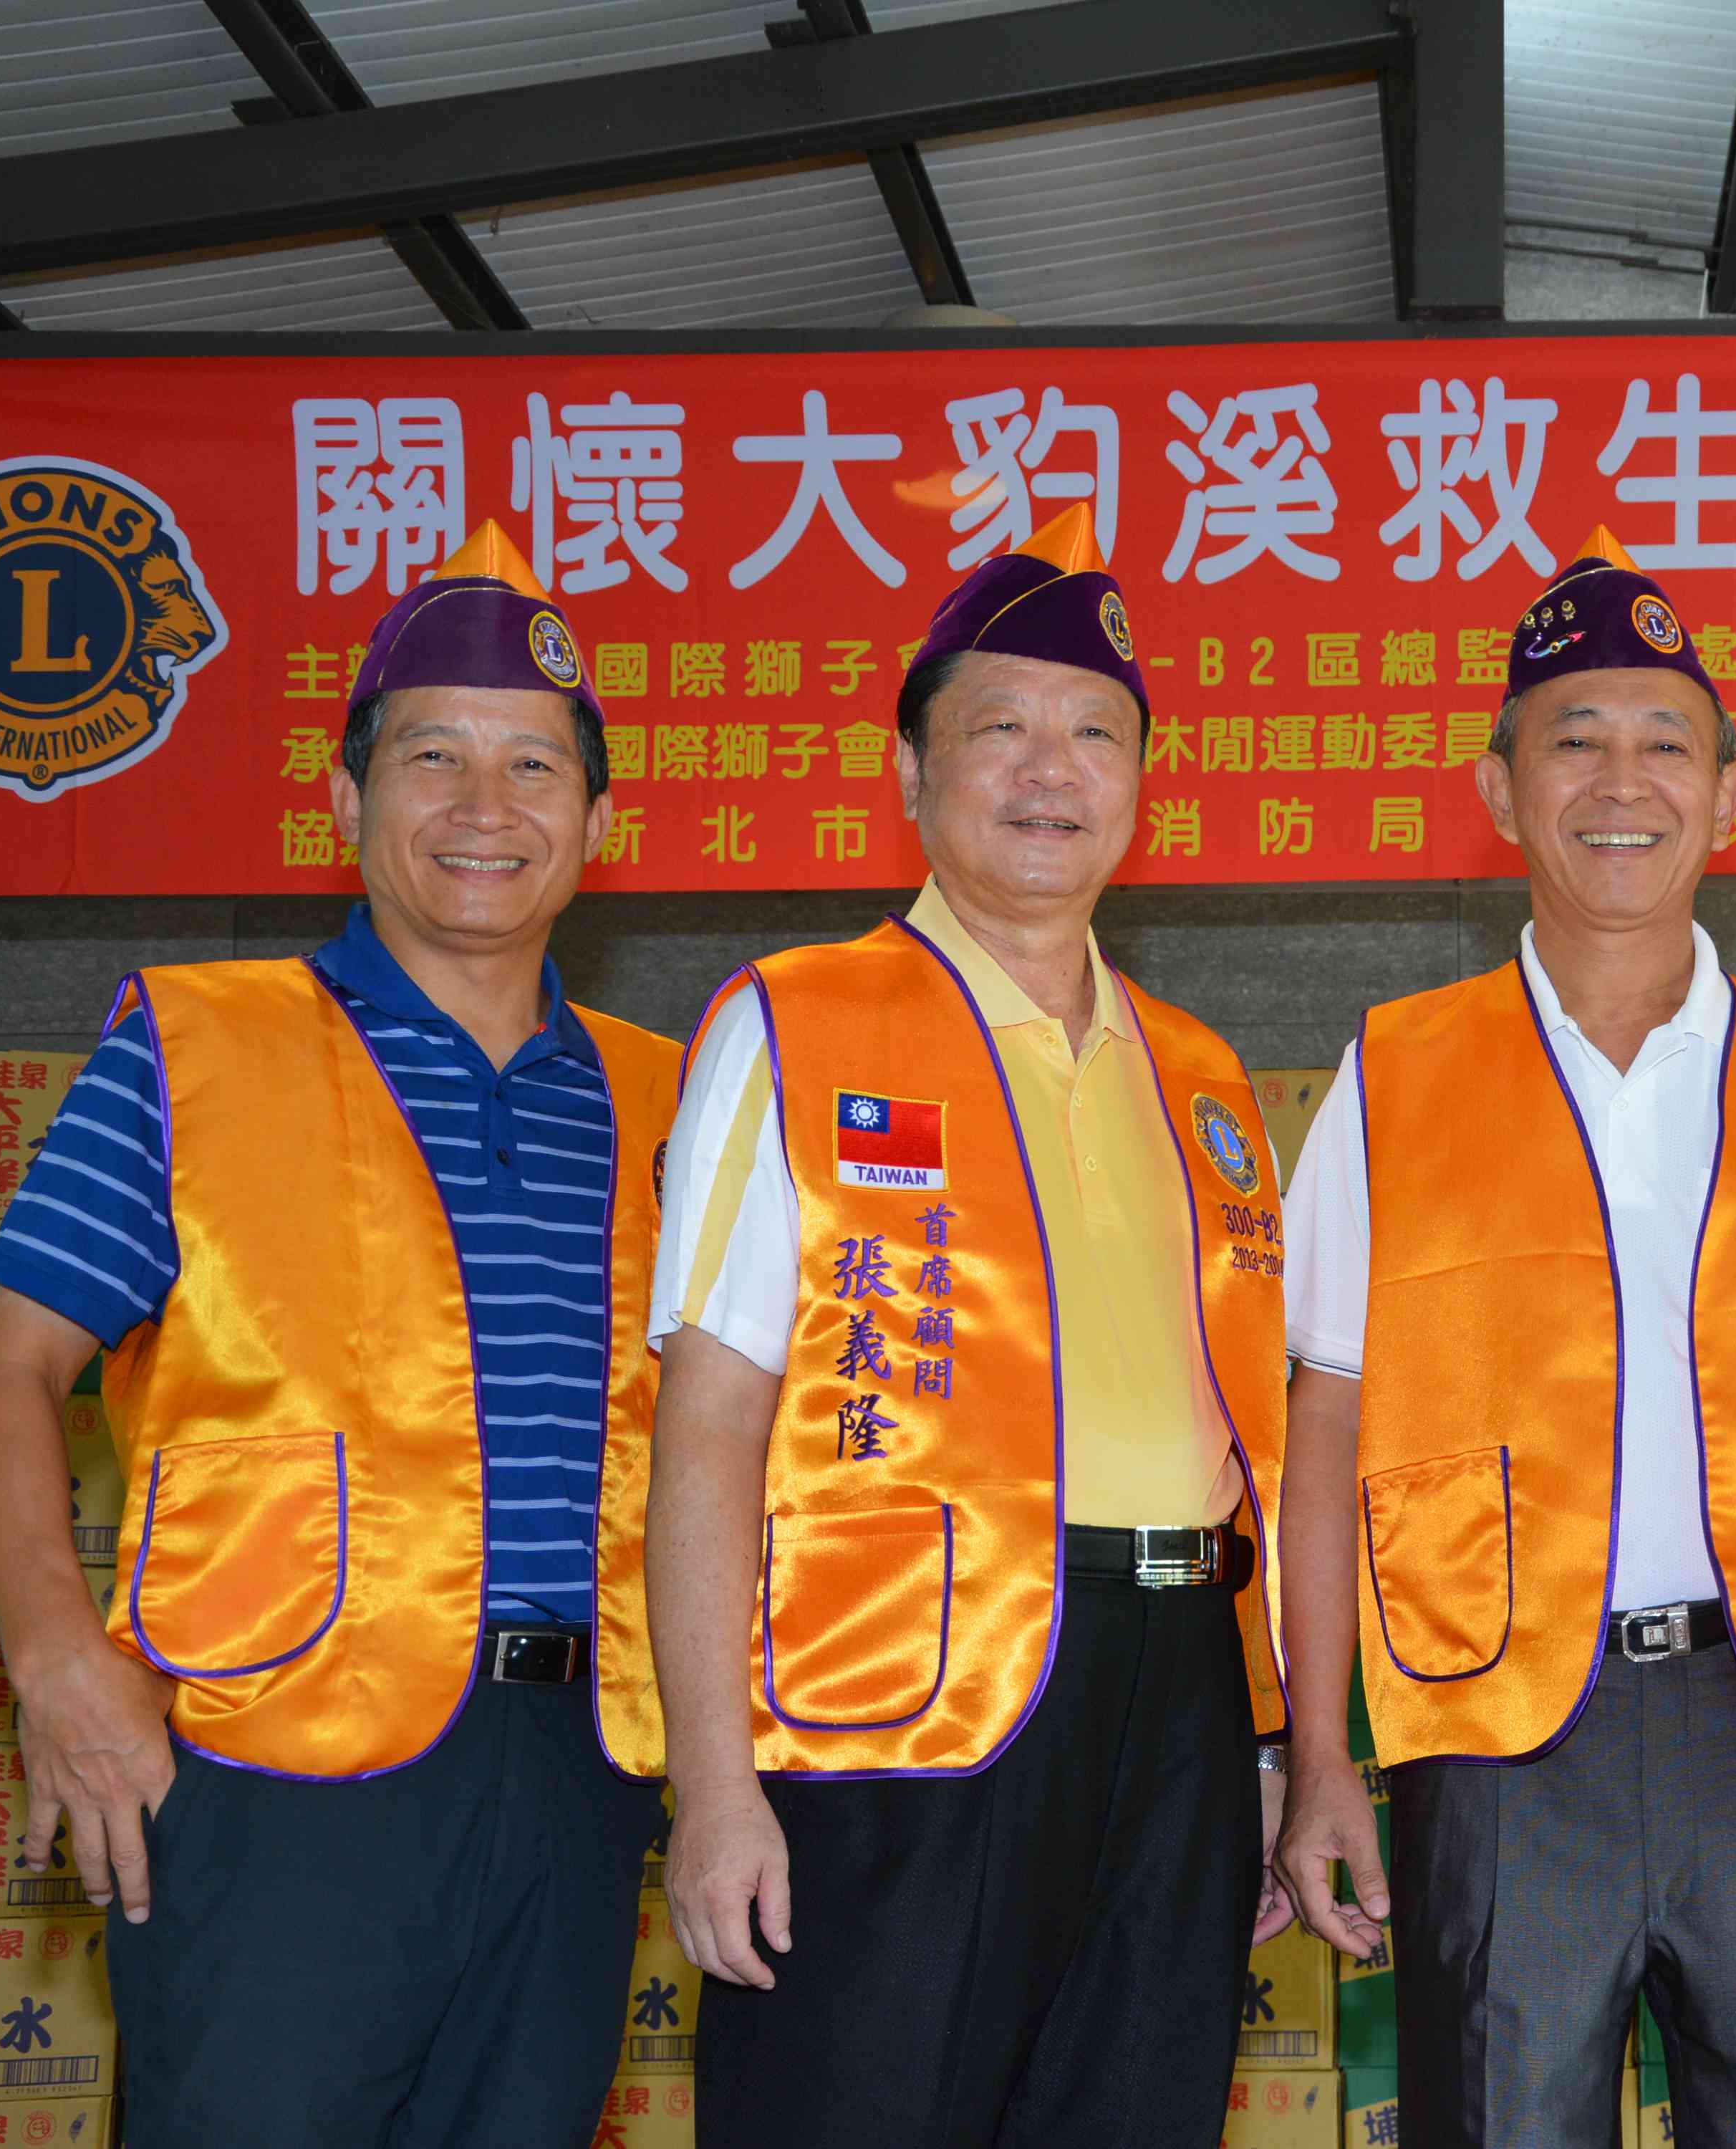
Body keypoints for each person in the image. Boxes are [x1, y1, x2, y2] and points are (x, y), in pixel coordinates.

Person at [0, 524, 676, 2148]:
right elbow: (3, 1365)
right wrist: (56, 1659)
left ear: (598, 824)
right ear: (345, 802)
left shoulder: (674, 1097)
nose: (486, 808)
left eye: (534, 768)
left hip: (582, 1766)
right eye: (433, 758)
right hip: (267, 1763)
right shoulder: (197, 1043)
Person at [1271, 528, 1736, 2149]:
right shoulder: (1394, 1075)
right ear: (1498, 787)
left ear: (1731, 798)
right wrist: (1320, 1760)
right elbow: (1321, 1435)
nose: (1621, 782)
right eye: (1573, 740)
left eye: (1667, 744)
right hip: (1501, 1746)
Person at [627, 504, 1291, 2149]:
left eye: (1095, 734)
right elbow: (702, 1425)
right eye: (999, 728)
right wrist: (714, 1786)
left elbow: (1243, 1442)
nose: (1050, 769)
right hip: (900, 1700)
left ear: (1142, 785)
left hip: (1180, 1699)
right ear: (910, 775)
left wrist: (1268, 1742)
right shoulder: (795, 1021)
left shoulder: (1201, 1073)